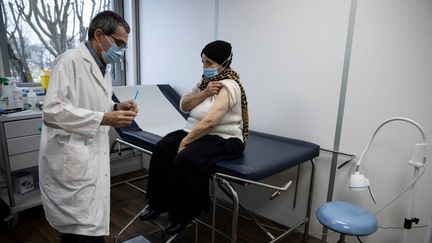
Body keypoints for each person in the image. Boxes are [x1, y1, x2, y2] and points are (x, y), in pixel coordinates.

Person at [39, 11, 138, 243]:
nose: (122, 51)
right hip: (72, 157)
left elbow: (92, 102)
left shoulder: (103, 66)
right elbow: (52, 111)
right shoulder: (70, 61)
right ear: (99, 35)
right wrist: (104, 118)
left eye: (125, 46)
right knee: (81, 231)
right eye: (119, 44)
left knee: (88, 227)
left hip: (91, 156)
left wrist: (116, 105)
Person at [139, 40, 249, 235]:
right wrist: (205, 92)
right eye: (203, 62)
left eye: (209, 63)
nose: (204, 67)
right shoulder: (204, 83)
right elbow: (184, 105)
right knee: (163, 148)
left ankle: (184, 214)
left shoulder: (230, 85)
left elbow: (210, 121)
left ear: (223, 63)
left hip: (223, 137)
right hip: (195, 131)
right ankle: (158, 203)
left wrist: (185, 142)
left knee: (186, 158)